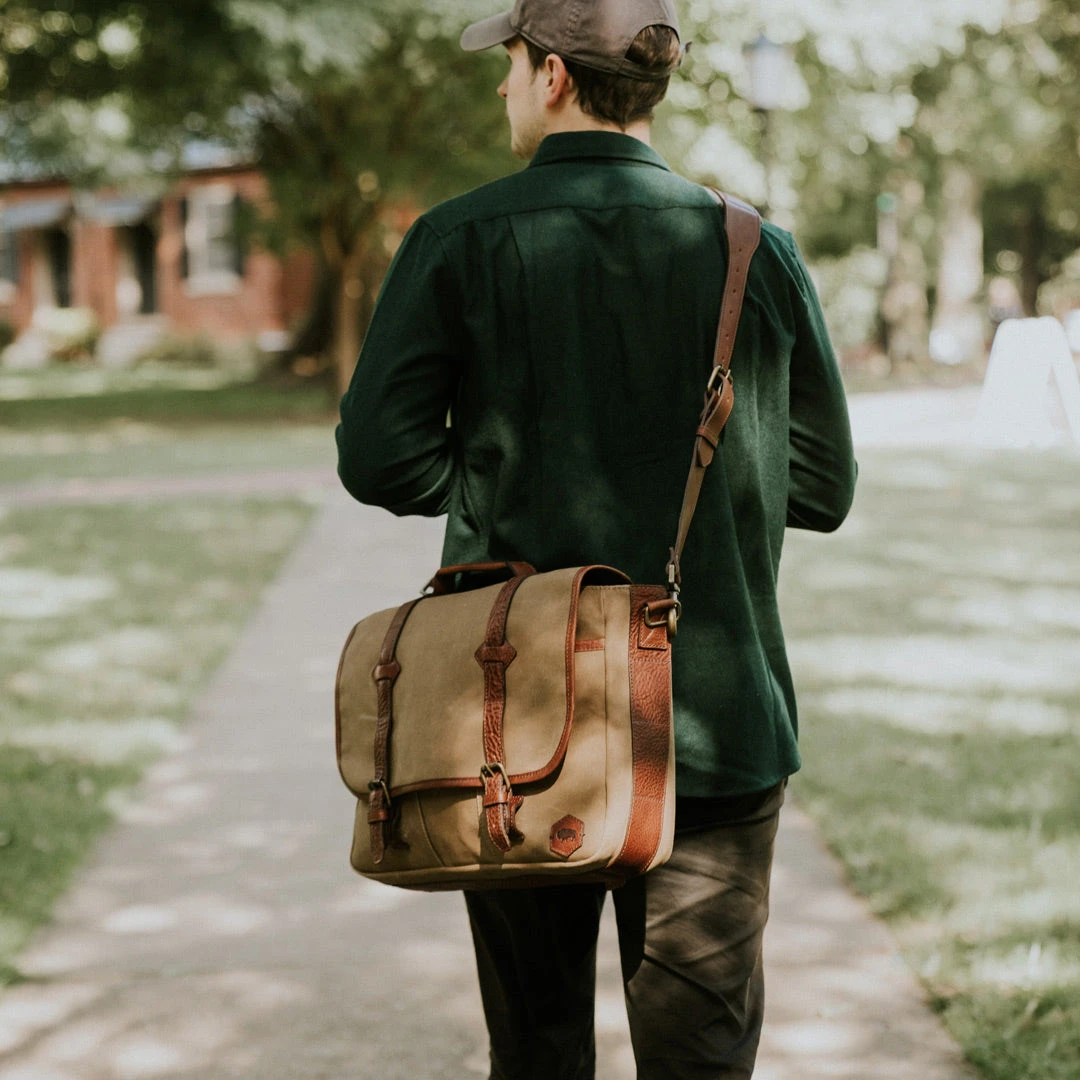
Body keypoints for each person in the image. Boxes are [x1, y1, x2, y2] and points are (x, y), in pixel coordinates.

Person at [336, 1, 857, 1076]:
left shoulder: (456, 239)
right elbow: (821, 487)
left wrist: (491, 485)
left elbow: (379, 459)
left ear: (554, 78)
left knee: (535, 1048)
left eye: (510, 64)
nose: (502, 87)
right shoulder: (755, 249)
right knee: (701, 1059)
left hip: (515, 719)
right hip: (712, 719)